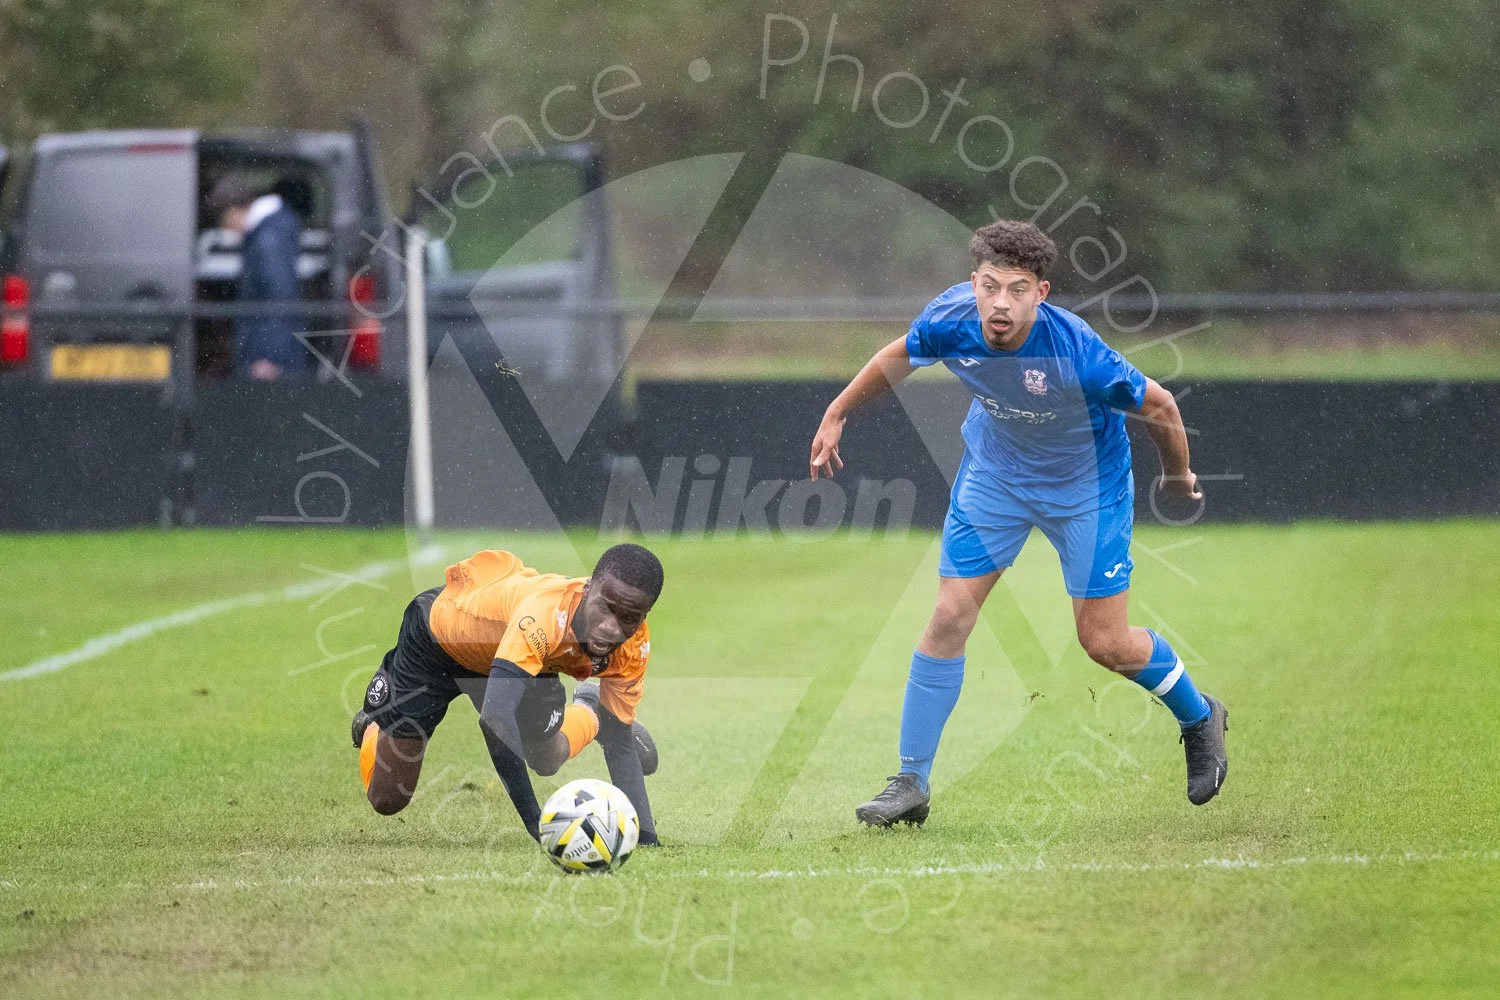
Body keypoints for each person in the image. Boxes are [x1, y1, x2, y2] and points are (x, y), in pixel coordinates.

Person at [807, 220, 1229, 827]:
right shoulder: (952, 317)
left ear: (1042, 293)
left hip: (1087, 488)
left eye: (1017, 289)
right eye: (989, 286)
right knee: (949, 614)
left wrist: (1174, 476)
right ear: (973, 283)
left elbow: (1159, 404)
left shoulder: (1075, 354)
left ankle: (1199, 717)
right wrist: (837, 412)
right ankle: (911, 781)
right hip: (996, 478)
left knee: (1103, 642)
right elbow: (894, 358)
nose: (1000, 303)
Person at [352, 544, 663, 845]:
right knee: (387, 799)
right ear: (588, 587)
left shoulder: (635, 646)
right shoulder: (544, 615)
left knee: (547, 758)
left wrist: (646, 839)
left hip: (511, 659)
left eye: (629, 618)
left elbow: (619, 740)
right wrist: (537, 823)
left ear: (645, 613)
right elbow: (495, 720)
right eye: (605, 608)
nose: (611, 628)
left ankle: (590, 710)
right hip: (436, 643)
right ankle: (376, 724)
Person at [207, 175, 306, 380]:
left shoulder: (266, 241)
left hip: (268, 361)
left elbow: (280, 299)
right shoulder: (271, 233)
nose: (228, 232)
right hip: (275, 351)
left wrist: (269, 356)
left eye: (225, 223)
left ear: (233, 213)